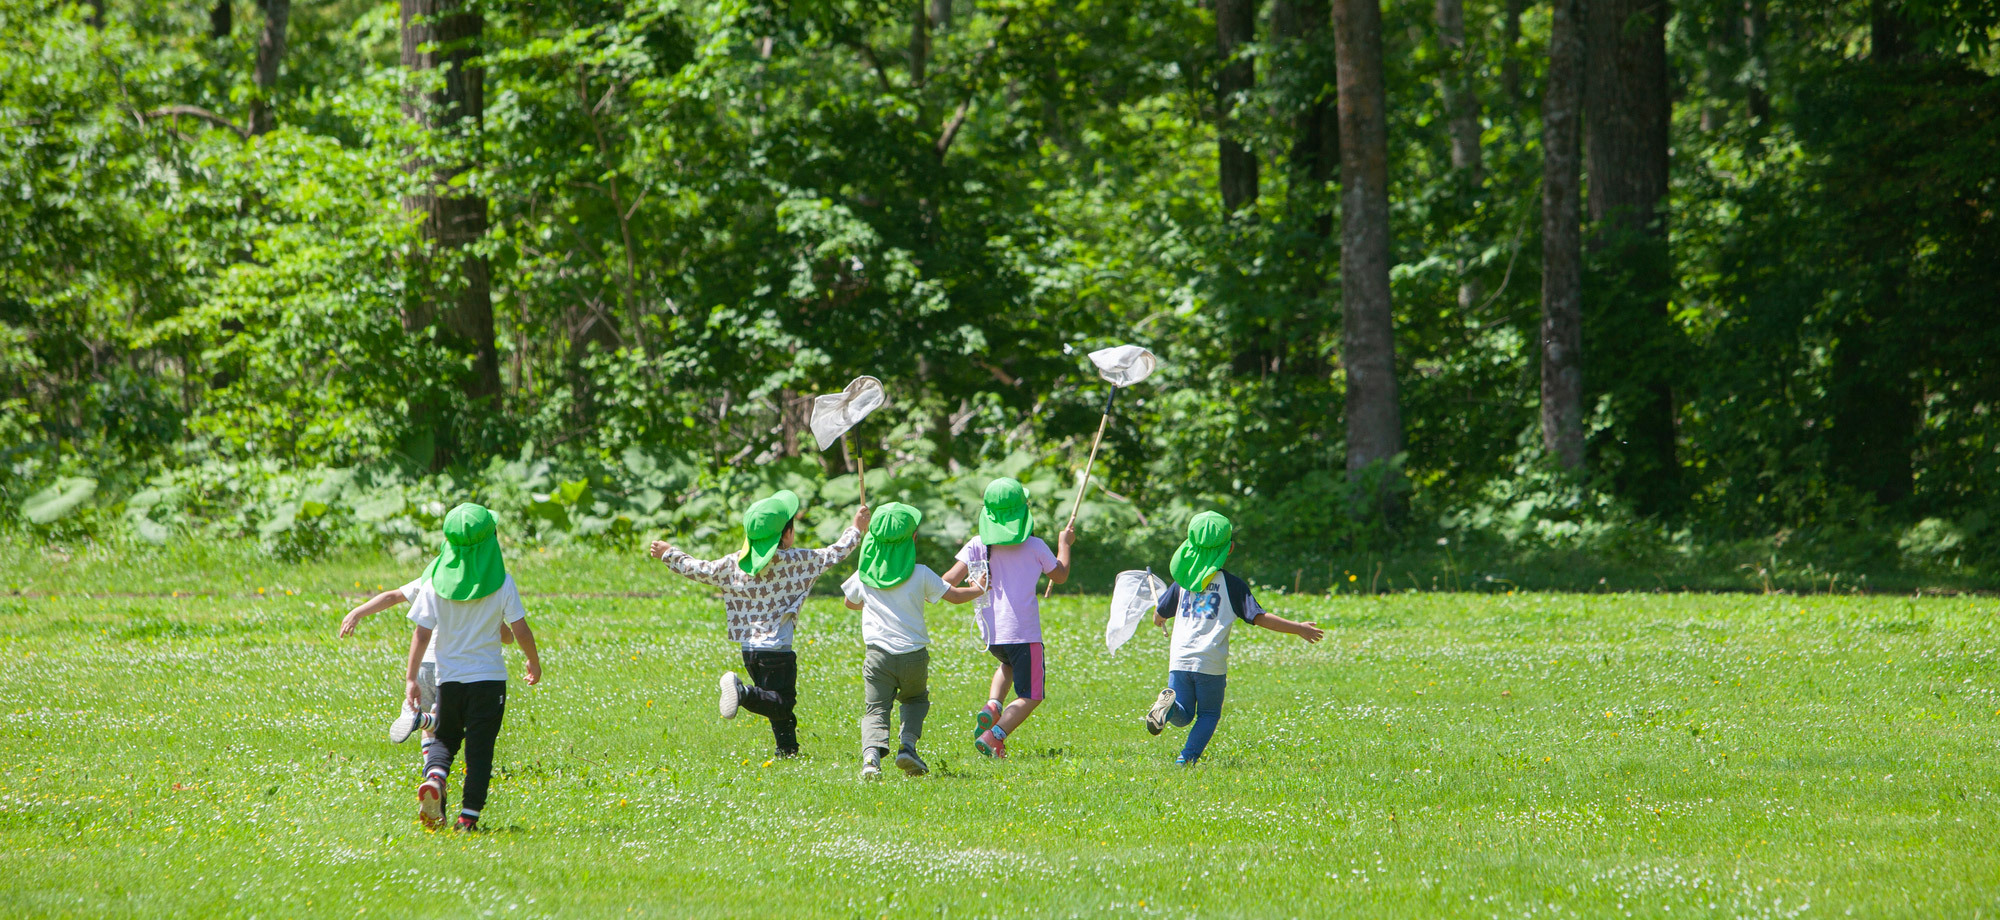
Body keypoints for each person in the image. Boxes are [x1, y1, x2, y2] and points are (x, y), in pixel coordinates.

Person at [650, 490, 866, 758]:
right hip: (777, 650)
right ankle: (743, 693)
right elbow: (836, 552)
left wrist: (670, 554)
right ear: (787, 534)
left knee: (773, 701)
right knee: (782, 703)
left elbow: (699, 568)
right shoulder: (798, 562)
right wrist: (856, 529)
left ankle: (787, 750)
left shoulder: (734, 564)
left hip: (750, 650)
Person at [402, 503, 543, 830]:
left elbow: (421, 634)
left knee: (444, 738)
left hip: (449, 681)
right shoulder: (502, 582)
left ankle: (435, 778)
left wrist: (411, 679)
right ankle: (468, 819)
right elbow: (519, 629)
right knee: (480, 750)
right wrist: (533, 661)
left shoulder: (435, 584)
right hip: (489, 683)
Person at [1141, 511, 1322, 765]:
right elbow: (1258, 617)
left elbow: (1159, 616)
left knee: (1183, 714)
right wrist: (1298, 628)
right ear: (1230, 548)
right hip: (1209, 662)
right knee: (1208, 714)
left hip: (1180, 659)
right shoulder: (1232, 585)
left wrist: (1159, 618)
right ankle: (1186, 759)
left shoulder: (1181, 583)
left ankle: (1168, 708)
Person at [839, 502, 987, 779]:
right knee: (915, 700)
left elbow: (850, 602)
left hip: (877, 655)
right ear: (913, 539)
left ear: (872, 537)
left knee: (876, 708)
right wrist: (978, 588)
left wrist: (871, 603)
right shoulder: (920, 573)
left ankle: (871, 758)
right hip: (913, 655)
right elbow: (953, 595)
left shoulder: (864, 574)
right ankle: (907, 746)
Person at [938, 477, 1074, 758]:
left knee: (1007, 665)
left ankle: (993, 705)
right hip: (1024, 633)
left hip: (993, 634)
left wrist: (976, 587)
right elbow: (1059, 575)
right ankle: (995, 735)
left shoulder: (977, 544)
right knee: (1031, 695)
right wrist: (1065, 543)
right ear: (1023, 511)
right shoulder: (1034, 546)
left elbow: (946, 581)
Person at [338, 583, 514, 771]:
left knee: (433, 724)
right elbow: (505, 635)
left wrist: (357, 612)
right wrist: (509, 634)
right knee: (456, 721)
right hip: (450, 667)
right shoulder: (478, 583)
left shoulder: (432, 578)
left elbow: (393, 596)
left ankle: (432, 774)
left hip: (424, 664)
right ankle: (420, 720)